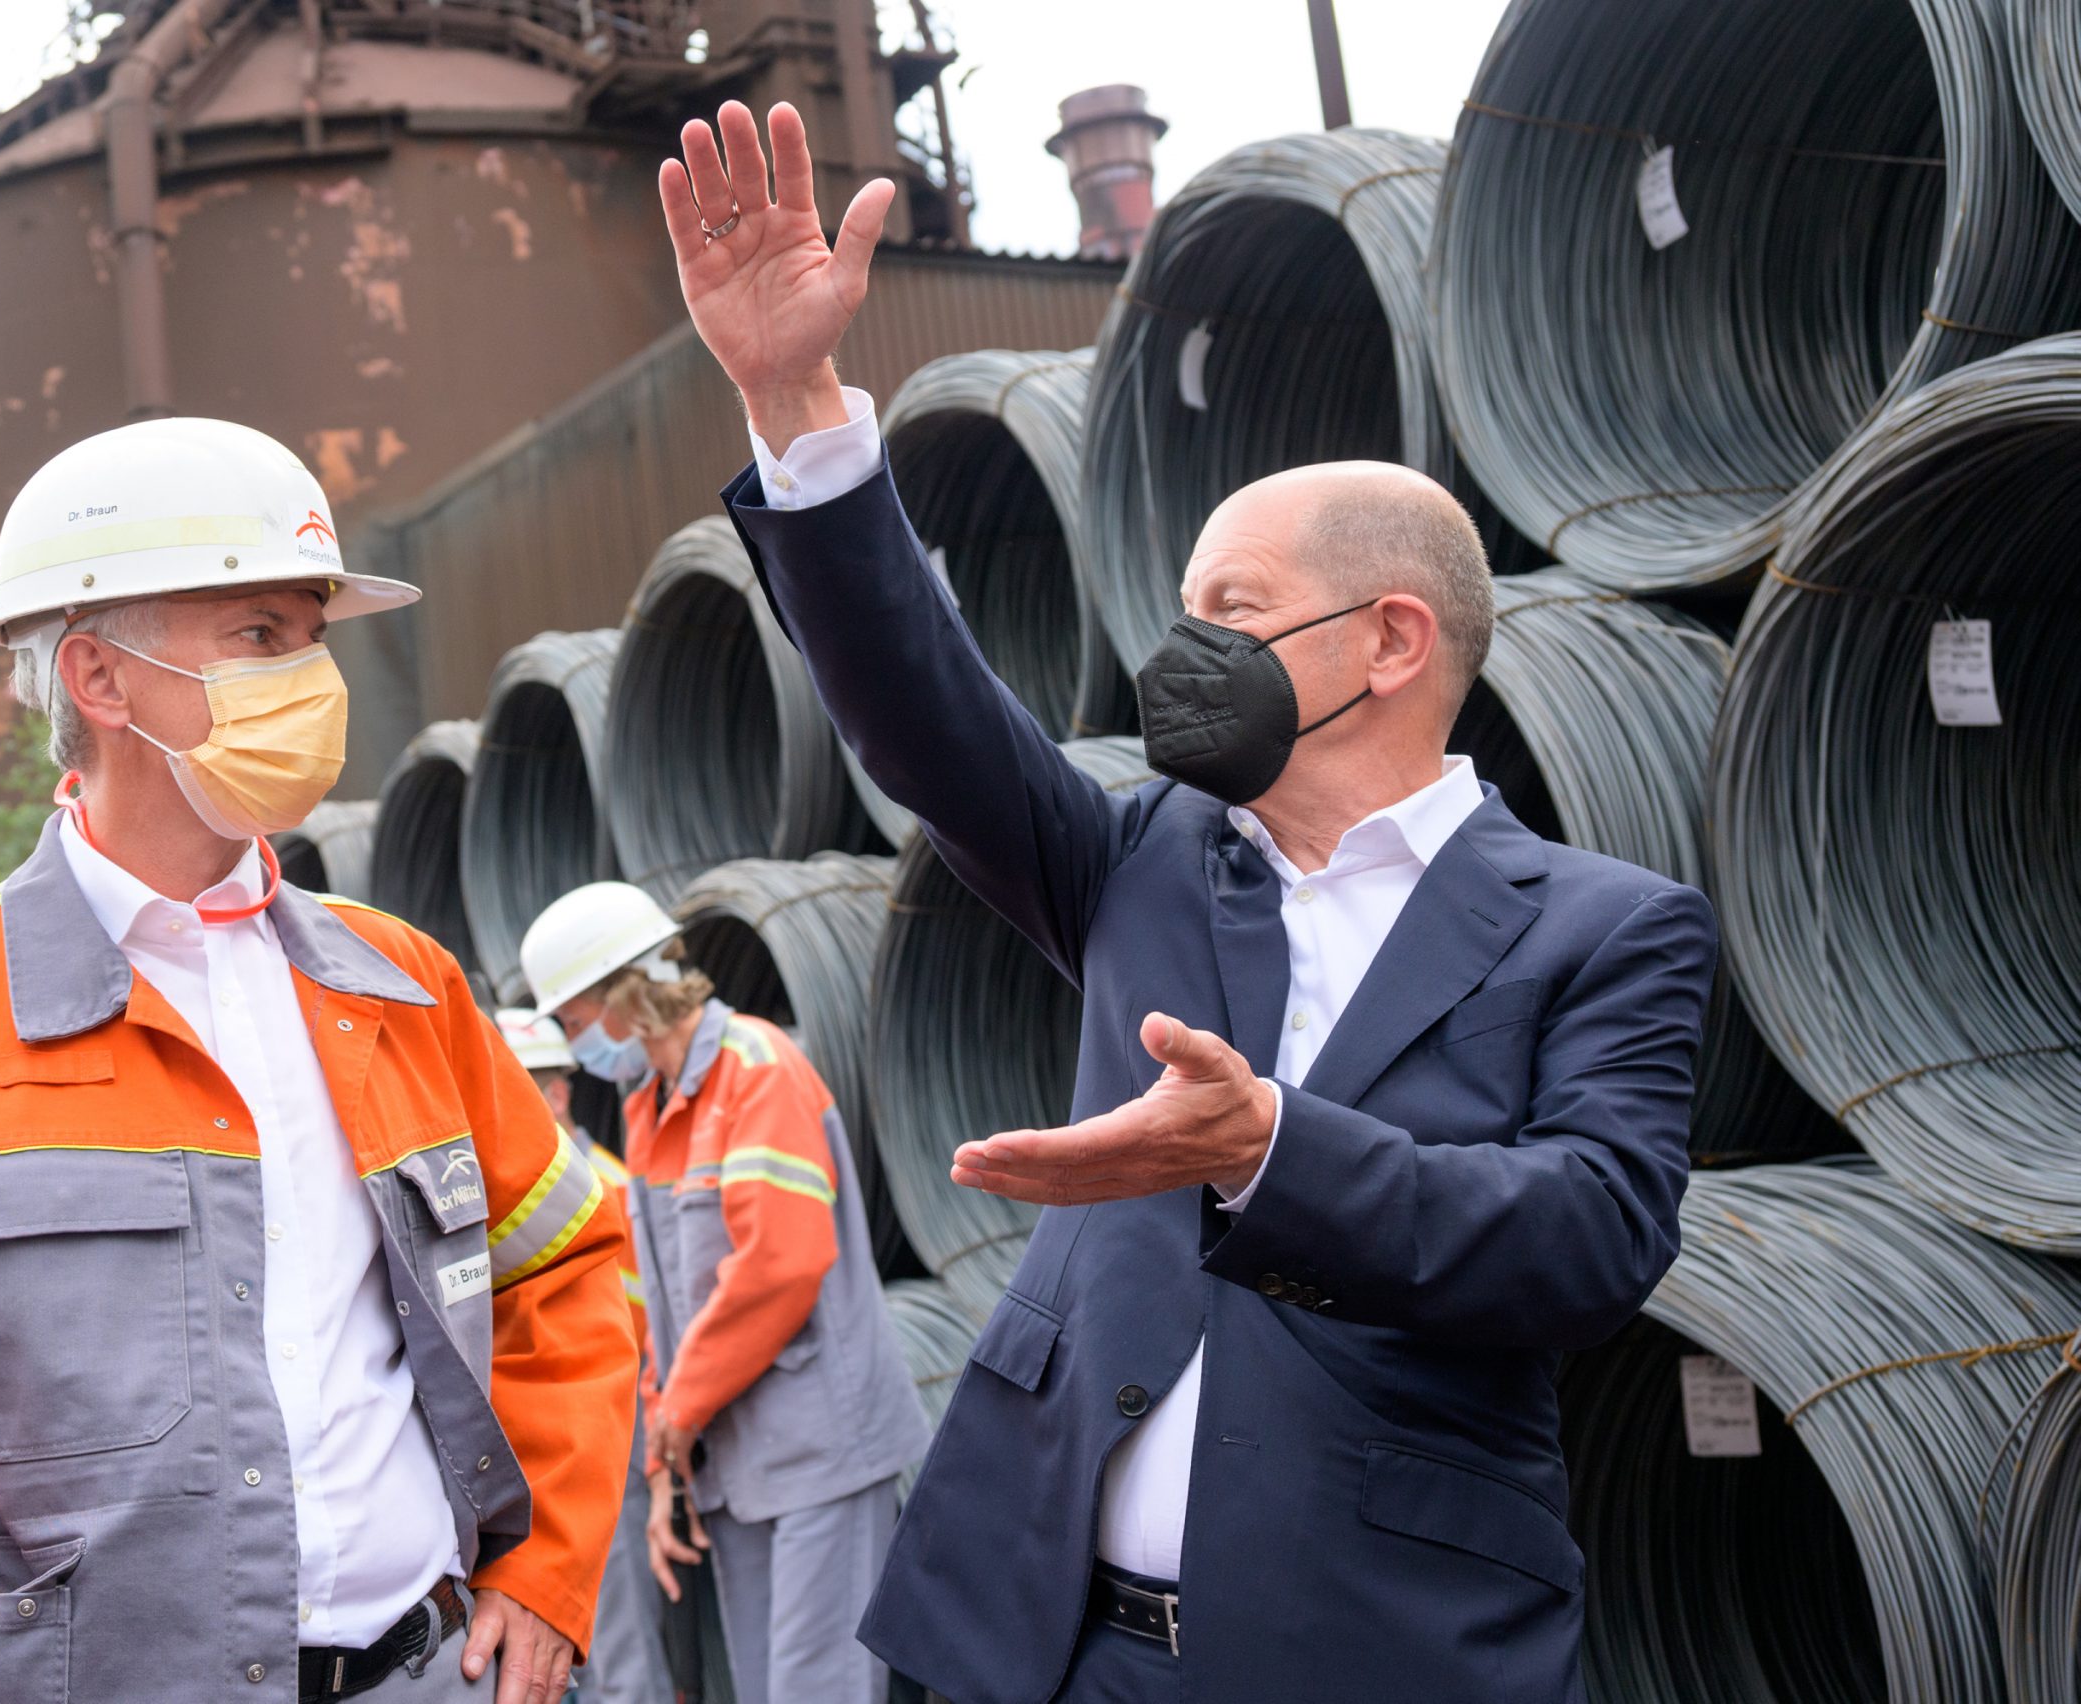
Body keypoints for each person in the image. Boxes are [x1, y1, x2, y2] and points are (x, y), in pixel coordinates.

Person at [660, 102, 1719, 1704]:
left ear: (1391, 642)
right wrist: (793, 402)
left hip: (1365, 1655)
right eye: (1182, 611)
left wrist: (1271, 1151)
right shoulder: (1141, 857)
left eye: (1236, 609)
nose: (1186, 650)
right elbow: (924, 715)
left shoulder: (1604, 928)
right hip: (1043, 1648)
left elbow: (1586, 1242)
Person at [0, 418, 638, 1704]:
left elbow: (567, 1263)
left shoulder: (404, 987)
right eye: (260, 638)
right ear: (101, 682)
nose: (314, 683)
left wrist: (546, 1567)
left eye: (312, 637)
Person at [518, 883, 925, 1704]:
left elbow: (780, 1264)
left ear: (622, 995)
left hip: (820, 1455)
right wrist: (663, 1461)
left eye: (571, 1022)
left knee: (819, 1690)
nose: (576, 1045)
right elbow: (665, 1304)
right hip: (734, 1464)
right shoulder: (648, 1105)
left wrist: (676, 1414)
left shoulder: (757, 1068)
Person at [491, 1009, 670, 1704]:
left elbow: (645, 1326)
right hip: (518, 1437)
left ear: (560, 1093)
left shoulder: (611, 1186)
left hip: (605, 1428)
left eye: (532, 1085)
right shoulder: (483, 1189)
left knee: (613, 1644)